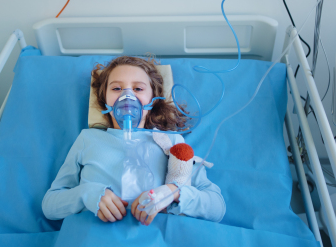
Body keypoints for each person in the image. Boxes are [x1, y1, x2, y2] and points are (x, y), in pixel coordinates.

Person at [42, 56, 225, 226]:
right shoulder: (88, 139)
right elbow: (50, 206)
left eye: (138, 89)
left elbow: (217, 208)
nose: (127, 96)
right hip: (93, 241)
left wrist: (173, 192)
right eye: (116, 88)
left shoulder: (172, 142)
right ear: (104, 99)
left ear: (152, 100)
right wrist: (86, 193)